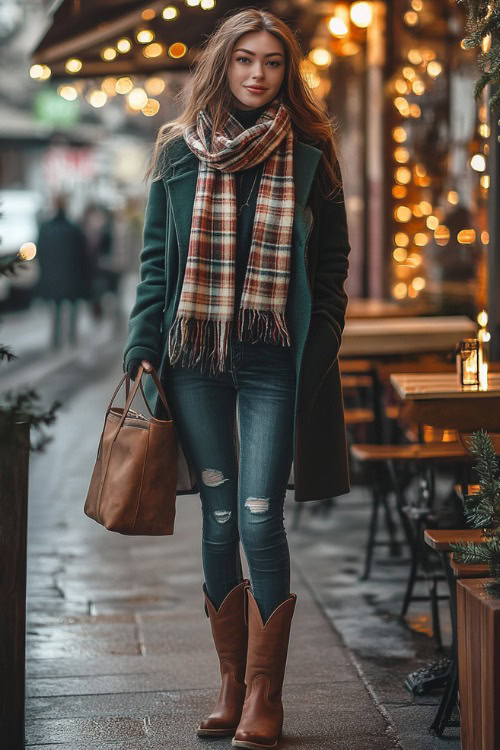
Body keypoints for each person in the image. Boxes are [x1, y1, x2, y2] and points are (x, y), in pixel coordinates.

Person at [122, 8, 351, 748]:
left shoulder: (313, 153)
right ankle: (229, 683)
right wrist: (142, 345)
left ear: (289, 71)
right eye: (246, 60)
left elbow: (332, 270)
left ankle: (265, 693)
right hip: (194, 363)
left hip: (271, 364)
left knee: (259, 516)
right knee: (219, 520)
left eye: (273, 62)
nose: (259, 73)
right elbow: (157, 264)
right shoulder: (177, 155)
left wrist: (315, 354)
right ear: (223, 65)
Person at [35, 193, 90, 348]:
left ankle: (55, 339)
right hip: (72, 277)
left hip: (53, 278)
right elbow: (83, 255)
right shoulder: (74, 229)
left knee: (56, 309)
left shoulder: (45, 229)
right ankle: (72, 338)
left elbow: (41, 254)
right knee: (72, 308)